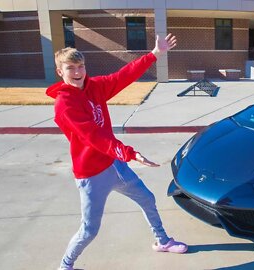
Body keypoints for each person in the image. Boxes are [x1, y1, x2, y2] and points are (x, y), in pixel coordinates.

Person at [46, 33, 187, 270]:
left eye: (81, 66)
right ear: (60, 72)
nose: (78, 72)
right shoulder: (65, 105)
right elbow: (94, 137)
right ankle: (65, 266)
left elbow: (124, 76)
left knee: (147, 199)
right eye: (71, 68)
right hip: (92, 175)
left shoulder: (94, 87)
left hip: (115, 164)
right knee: (90, 229)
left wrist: (154, 54)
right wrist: (129, 153)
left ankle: (162, 241)